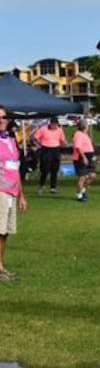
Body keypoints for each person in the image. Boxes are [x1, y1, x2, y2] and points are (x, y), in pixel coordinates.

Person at [0, 106, 27, 282]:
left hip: (11, 192)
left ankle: (0, 266)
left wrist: (21, 195)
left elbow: (15, 168)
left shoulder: (10, 140)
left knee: (5, 231)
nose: (2, 120)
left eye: (4, 117)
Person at [34, 116, 66, 194]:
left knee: (54, 170)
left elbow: (63, 140)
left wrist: (62, 145)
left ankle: (53, 187)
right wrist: (38, 145)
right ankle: (41, 186)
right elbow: (35, 138)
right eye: (53, 124)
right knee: (45, 170)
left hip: (56, 150)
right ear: (50, 123)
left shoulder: (60, 130)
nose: (55, 126)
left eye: (56, 124)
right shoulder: (43, 129)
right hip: (46, 150)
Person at [72, 118, 96, 202]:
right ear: (84, 126)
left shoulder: (85, 134)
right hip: (81, 157)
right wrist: (84, 157)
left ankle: (83, 190)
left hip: (89, 157)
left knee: (92, 176)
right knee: (82, 177)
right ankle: (79, 195)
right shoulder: (78, 134)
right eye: (87, 125)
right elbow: (78, 147)